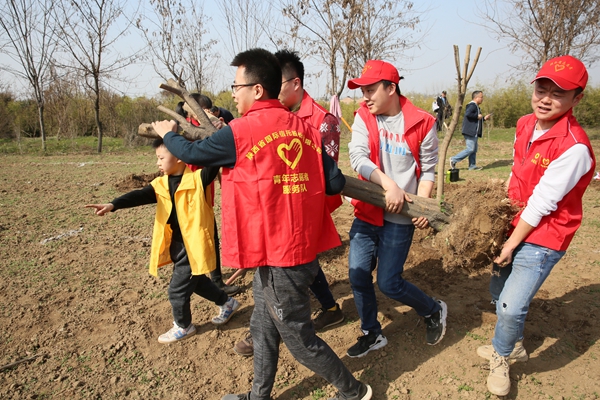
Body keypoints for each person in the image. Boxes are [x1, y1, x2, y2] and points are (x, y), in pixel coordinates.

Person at [153, 48, 372, 400]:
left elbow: (191, 154)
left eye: (236, 86)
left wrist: (169, 134)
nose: (232, 94)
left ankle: (354, 391)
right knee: (262, 326)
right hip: (290, 249)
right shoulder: (305, 128)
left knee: (299, 338)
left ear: (257, 89)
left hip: (282, 258)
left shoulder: (240, 132)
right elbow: (333, 183)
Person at [475, 55, 595, 396]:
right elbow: (517, 171)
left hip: (546, 234)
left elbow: (543, 202)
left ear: (576, 99)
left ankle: (501, 356)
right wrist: (500, 206)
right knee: (498, 292)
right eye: (541, 89)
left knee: (511, 305)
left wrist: (511, 244)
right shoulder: (525, 124)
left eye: (558, 94)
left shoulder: (574, 147)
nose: (545, 99)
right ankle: (513, 343)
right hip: (514, 221)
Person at [232, 49, 347, 358]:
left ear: (295, 83)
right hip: (281, 205)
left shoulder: (323, 121)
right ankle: (326, 309)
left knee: (292, 265)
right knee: (291, 267)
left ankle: (270, 332)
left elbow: (326, 175)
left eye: (278, 83)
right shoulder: (274, 116)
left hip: (307, 205)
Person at [85, 139, 240, 344]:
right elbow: (138, 195)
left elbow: (214, 159)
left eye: (161, 158)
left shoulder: (198, 179)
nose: (157, 162)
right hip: (177, 245)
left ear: (179, 156)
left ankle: (184, 326)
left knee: (177, 290)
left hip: (192, 247)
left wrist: (206, 139)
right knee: (196, 282)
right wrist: (113, 204)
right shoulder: (161, 184)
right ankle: (226, 303)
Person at [346, 60, 448, 358]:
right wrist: (389, 185)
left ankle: (432, 309)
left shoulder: (422, 122)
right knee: (358, 275)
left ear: (391, 88)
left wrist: (422, 206)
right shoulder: (364, 116)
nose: (365, 97)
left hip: (401, 218)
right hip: (368, 211)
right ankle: (371, 332)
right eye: (363, 91)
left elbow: (427, 170)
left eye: (371, 90)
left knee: (389, 283)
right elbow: (358, 157)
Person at [175, 96, 241, 296]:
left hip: (202, 190)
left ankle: (213, 279)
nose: (209, 113)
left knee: (209, 235)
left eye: (210, 110)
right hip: (193, 191)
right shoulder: (189, 129)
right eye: (205, 110)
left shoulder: (204, 126)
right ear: (194, 110)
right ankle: (210, 282)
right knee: (204, 236)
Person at [449, 90, 491, 171]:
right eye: (481, 97)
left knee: (474, 150)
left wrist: (484, 118)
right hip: (470, 131)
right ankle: (454, 159)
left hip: (474, 131)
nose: (482, 99)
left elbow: (475, 119)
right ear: (476, 98)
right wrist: (477, 116)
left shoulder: (476, 106)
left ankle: (472, 166)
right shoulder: (472, 105)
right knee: (470, 149)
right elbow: (468, 114)